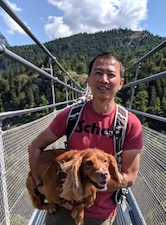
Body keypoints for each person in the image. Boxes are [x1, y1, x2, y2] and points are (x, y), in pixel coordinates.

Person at [28, 51, 143, 225]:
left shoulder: (129, 124)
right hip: (63, 205)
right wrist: (39, 185)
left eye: (111, 75)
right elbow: (35, 147)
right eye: (98, 73)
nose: (104, 79)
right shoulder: (70, 116)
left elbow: (129, 177)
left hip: (101, 213)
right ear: (89, 80)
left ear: (120, 83)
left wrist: (88, 187)